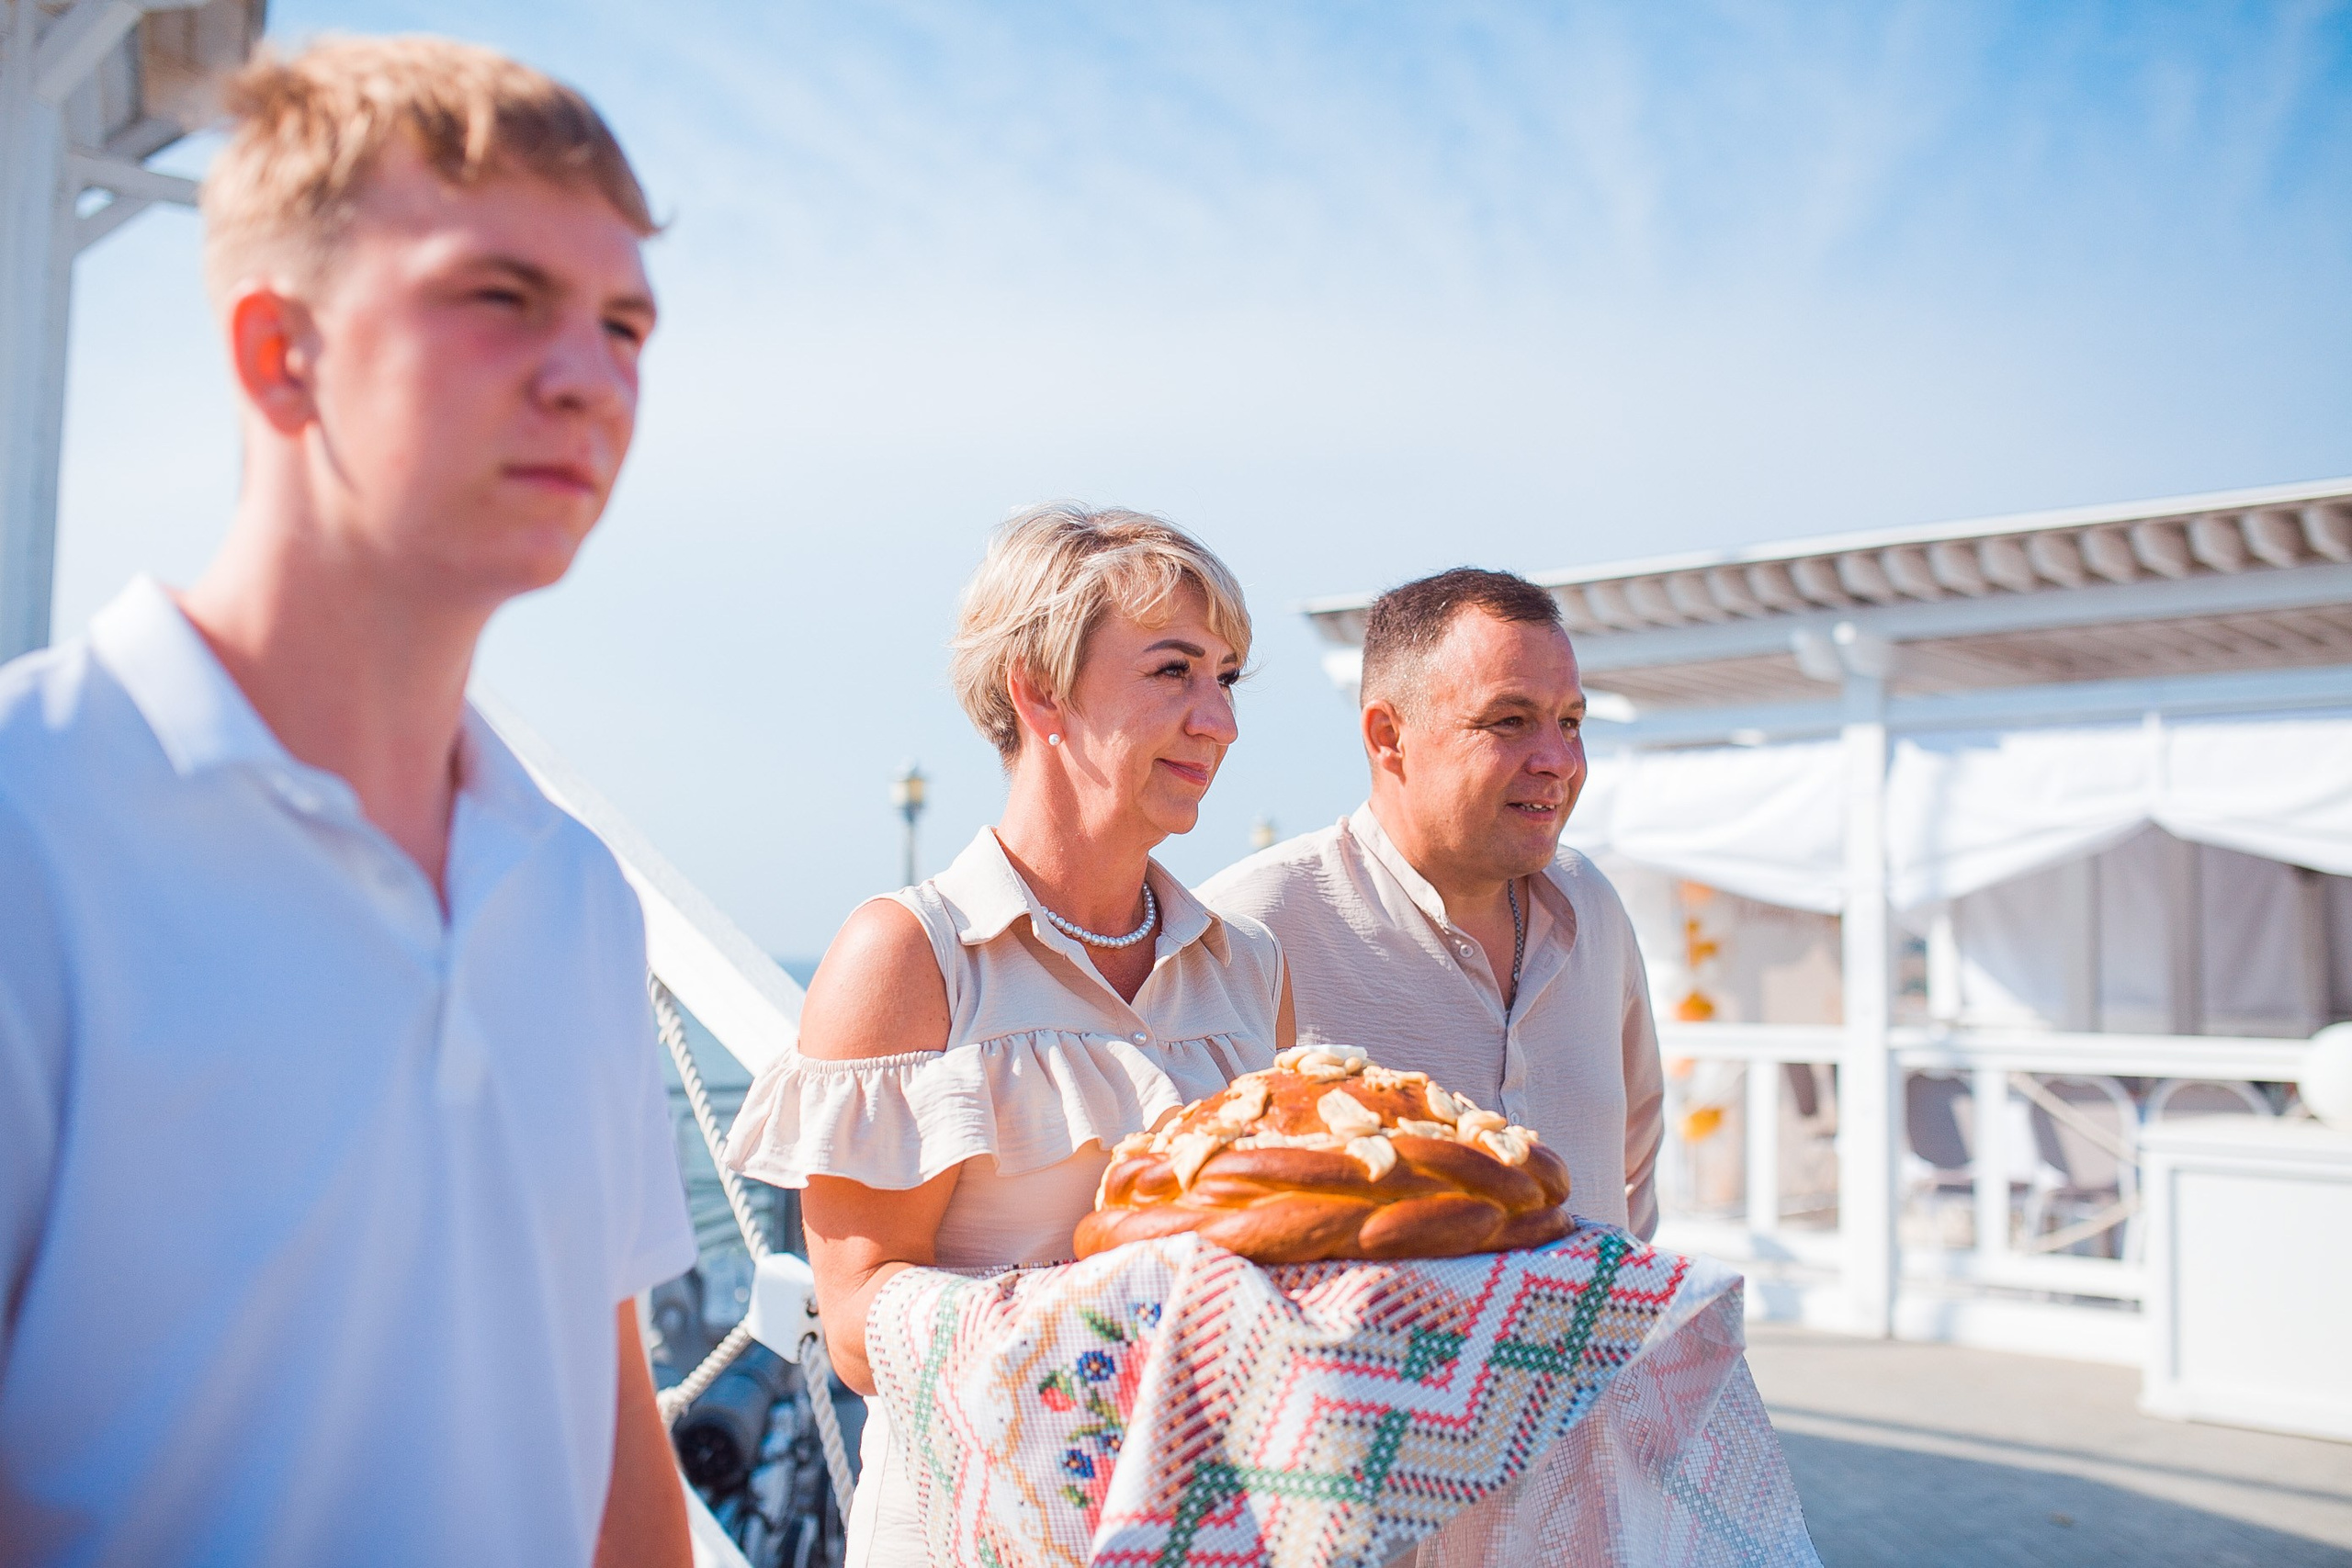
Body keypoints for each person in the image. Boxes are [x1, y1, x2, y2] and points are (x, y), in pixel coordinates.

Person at [0, 39, 695, 1567]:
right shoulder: (29, 828)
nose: (593, 376)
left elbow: (611, 1428)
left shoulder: (572, 895)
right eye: (500, 298)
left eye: (626, 321)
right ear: (279, 351)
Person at [725, 503, 1294, 1566]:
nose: (1218, 719)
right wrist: (1128, 1306)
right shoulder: (907, 957)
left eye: (1227, 677)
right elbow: (853, 1326)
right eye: (1174, 671)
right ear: (1038, 689)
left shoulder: (1249, 966)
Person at [1202, 567, 1664, 1237]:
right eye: (1512, 720)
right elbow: (1191, 1198)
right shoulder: (1255, 923)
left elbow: (1636, 1164)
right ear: (1388, 736)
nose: (1558, 759)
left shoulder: (1591, 905)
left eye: (1570, 722)